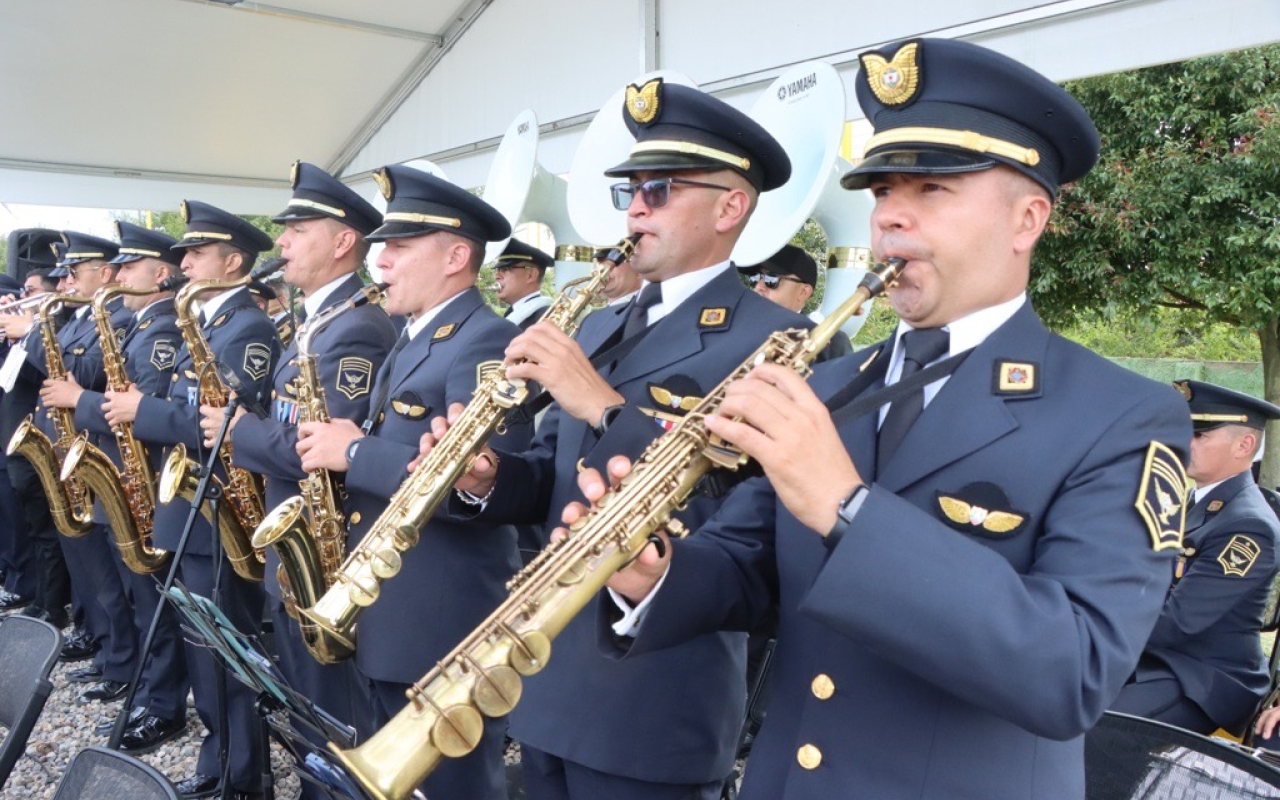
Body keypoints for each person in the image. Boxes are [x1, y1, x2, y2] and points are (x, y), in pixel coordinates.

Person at [576, 38, 1193, 800]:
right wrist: (654, 570)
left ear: (1027, 219)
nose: (890, 218)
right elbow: (745, 567)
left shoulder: (1123, 414)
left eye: (931, 190)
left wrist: (848, 507)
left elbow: (1075, 671)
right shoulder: (831, 383)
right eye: (881, 192)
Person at [425, 79, 809, 800]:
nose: (635, 207)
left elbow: (742, 516)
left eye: (659, 189)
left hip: (655, 695)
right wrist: (485, 478)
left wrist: (604, 407)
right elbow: (549, 477)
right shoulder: (599, 324)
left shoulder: (776, 339)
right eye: (629, 190)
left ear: (731, 207)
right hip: (551, 677)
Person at [294, 164, 530, 800]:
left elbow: (474, 488)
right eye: (380, 248)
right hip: (392, 614)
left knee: (450, 786)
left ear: (458, 256)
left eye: (399, 248)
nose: (381, 261)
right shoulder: (412, 337)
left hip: (439, 618)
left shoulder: (487, 339)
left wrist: (355, 452)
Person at [204, 161, 396, 794]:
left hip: (325, 545)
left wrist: (238, 434)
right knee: (308, 707)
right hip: (297, 543)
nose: (280, 241)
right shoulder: (316, 321)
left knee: (331, 715)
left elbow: (323, 444)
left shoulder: (360, 326)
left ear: (343, 241)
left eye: (296, 228)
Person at [103, 200, 281, 800]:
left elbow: (222, 418)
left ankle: (239, 777)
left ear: (233, 262)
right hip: (189, 507)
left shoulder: (248, 326)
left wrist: (141, 412)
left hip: (219, 512)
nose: (184, 262)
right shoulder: (205, 321)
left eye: (197, 252)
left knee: (225, 656)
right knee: (203, 651)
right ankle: (219, 763)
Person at [48, 221, 191, 752]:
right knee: (136, 597)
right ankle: (150, 692)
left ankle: (162, 703)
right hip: (123, 476)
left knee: (150, 601)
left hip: (142, 480)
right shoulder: (135, 324)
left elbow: (135, 412)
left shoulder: (160, 330)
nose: (118, 275)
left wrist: (77, 400)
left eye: (129, 267)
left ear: (159, 274)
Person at [1112, 380, 1280, 736]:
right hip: (1160, 659)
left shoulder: (1248, 526)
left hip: (1205, 677)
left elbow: (1179, 622)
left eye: (1200, 434)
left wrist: (1095, 618)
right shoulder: (1190, 503)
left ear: (1244, 445)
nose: (1182, 441)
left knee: (1100, 730)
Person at [36, 231, 140, 706]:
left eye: (73, 274)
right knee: (92, 569)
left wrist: (32, 339)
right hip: (72, 445)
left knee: (112, 574)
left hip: (101, 450)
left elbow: (89, 371)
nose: (64, 284)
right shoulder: (80, 316)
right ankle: (105, 648)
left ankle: (122, 661)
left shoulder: (117, 315)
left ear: (102, 272)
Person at [738, 245, 854, 380]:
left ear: (803, 292)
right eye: (756, 278)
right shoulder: (737, 325)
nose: (759, 286)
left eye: (771, 279)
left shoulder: (833, 343)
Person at [493, 239, 553, 329]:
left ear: (530, 275)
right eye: (497, 270)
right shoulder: (513, 312)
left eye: (505, 269)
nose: (496, 276)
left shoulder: (544, 318)